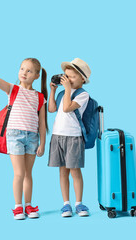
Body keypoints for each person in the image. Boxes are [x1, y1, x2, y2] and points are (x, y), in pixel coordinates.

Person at [0, 53, 48, 220]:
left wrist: (43, 144)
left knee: (28, 174)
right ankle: (18, 207)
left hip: (32, 138)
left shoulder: (39, 97)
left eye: (29, 71)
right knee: (18, 173)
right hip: (14, 135)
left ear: (37, 76)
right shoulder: (13, 89)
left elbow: (42, 123)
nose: (24, 73)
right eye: (22, 69)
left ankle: (29, 205)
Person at [48, 58, 91, 217]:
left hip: (73, 136)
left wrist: (66, 89)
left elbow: (67, 108)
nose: (67, 80)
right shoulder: (61, 93)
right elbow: (52, 109)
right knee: (62, 171)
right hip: (57, 135)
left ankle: (79, 203)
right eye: (65, 76)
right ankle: (66, 204)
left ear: (83, 79)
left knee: (75, 171)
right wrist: (53, 90)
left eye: (72, 77)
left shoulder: (83, 94)